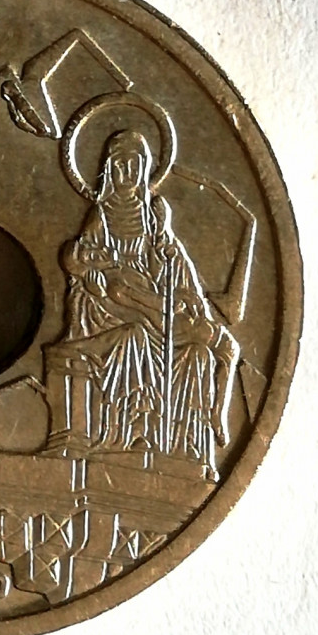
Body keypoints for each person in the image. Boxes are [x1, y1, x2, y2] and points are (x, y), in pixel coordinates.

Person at [58, 130, 238, 473]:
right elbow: (79, 260)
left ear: (144, 169)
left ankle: (187, 445)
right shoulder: (101, 215)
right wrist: (92, 278)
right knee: (135, 336)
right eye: (118, 165)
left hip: (155, 303)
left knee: (198, 354)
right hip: (116, 310)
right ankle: (129, 435)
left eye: (133, 165)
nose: (126, 173)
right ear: (108, 170)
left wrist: (169, 252)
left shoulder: (152, 216)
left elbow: (174, 263)